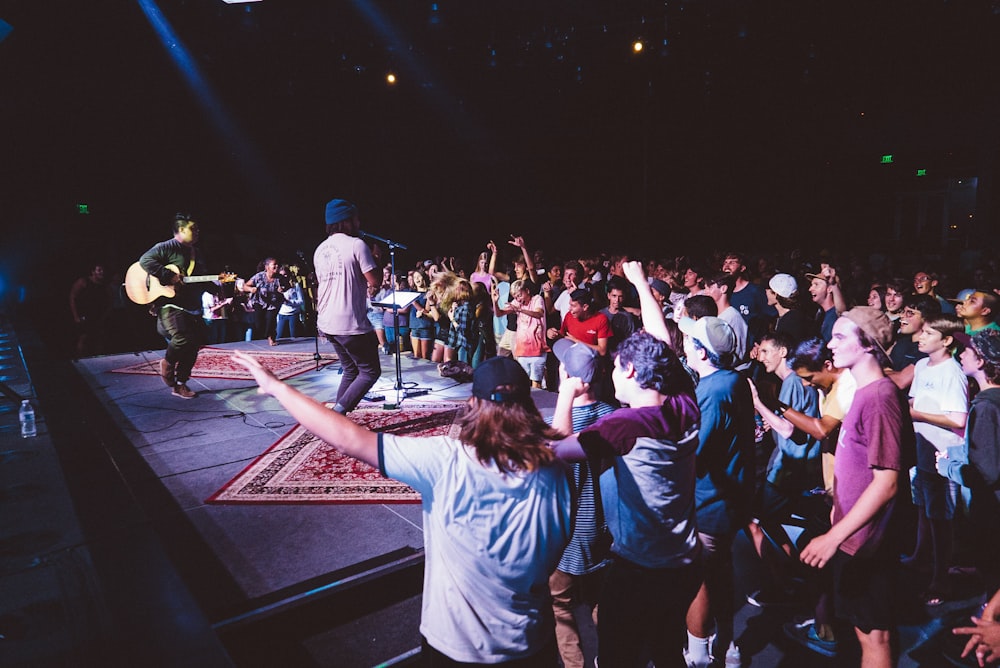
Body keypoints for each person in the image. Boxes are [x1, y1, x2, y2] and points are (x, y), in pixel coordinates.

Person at [232, 351, 571, 666]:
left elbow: (347, 438)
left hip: (458, 648)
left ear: (473, 404)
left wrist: (276, 386)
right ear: (529, 404)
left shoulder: (445, 461)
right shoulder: (558, 474)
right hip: (531, 645)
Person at [550, 331, 702, 667]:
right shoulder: (684, 405)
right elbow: (665, 350)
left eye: (617, 367)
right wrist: (640, 282)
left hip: (641, 568)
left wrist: (566, 393)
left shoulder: (625, 425)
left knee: (620, 655)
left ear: (631, 370)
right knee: (666, 649)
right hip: (684, 559)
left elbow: (558, 449)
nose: (612, 374)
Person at [799, 307, 914, 668]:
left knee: (874, 637)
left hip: (867, 543)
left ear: (869, 346)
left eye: (840, 337)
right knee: (864, 632)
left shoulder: (879, 398)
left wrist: (834, 537)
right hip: (854, 536)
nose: (830, 344)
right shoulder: (865, 393)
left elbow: (887, 483)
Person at [546, 338, 616, 668]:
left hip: (567, 536)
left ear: (568, 377)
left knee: (561, 606)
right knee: (601, 600)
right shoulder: (614, 416)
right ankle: (612, 656)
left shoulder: (558, 426)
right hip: (605, 530)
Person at [313, 199, 381, 414]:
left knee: (350, 369)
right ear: (347, 221)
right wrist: (376, 258)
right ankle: (337, 414)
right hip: (348, 321)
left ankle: (337, 415)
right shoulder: (356, 245)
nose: (359, 222)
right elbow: (375, 280)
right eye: (356, 218)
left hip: (326, 321)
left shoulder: (320, 249)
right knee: (370, 372)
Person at [138, 213, 206, 399]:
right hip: (170, 305)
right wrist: (169, 276)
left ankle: (181, 384)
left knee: (193, 345)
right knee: (182, 339)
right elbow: (145, 261)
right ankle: (168, 363)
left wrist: (219, 286)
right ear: (181, 230)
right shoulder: (166, 247)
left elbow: (200, 278)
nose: (198, 231)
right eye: (194, 228)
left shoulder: (196, 253)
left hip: (191, 305)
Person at [69, 263, 112, 357]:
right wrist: (76, 316)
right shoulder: (83, 282)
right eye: (99, 270)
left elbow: (109, 301)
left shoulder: (105, 285)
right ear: (93, 272)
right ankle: (80, 359)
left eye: (103, 270)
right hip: (84, 315)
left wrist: (104, 316)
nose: (102, 272)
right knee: (83, 338)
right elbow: (72, 297)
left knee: (99, 338)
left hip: (98, 317)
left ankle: (97, 359)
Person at [242, 257, 285, 346]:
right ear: (267, 267)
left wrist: (283, 289)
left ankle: (271, 338)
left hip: (273, 303)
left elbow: (287, 286)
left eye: (277, 264)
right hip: (259, 302)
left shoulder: (279, 278)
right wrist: (251, 289)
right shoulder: (259, 276)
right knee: (259, 323)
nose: (276, 266)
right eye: (274, 265)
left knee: (271, 320)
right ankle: (264, 333)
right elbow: (245, 286)